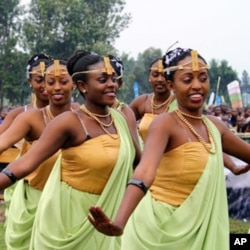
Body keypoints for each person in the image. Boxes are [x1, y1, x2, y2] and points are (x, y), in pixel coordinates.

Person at [88, 47, 250, 250]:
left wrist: (234, 167)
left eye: (203, 78)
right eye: (187, 79)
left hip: (199, 226)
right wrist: (119, 221)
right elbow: (145, 171)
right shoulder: (165, 123)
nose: (197, 86)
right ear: (172, 84)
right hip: (158, 230)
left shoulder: (215, 126)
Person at [0, 50, 140, 249]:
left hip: (110, 212)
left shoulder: (121, 119)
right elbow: (27, 162)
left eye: (113, 79)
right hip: (68, 215)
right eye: (102, 79)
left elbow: (140, 165)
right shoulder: (70, 122)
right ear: (82, 86)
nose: (112, 84)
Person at [0, 59, 79, 249]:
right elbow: (3, 142)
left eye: (64, 82)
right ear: (43, 85)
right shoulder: (30, 118)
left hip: (71, 199)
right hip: (36, 196)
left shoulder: (82, 116)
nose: (57, 88)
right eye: (51, 82)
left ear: (75, 84)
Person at [129, 57, 177, 143]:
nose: (159, 79)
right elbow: (122, 126)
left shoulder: (179, 103)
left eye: (164, 75)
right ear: (149, 76)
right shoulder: (142, 102)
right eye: (155, 75)